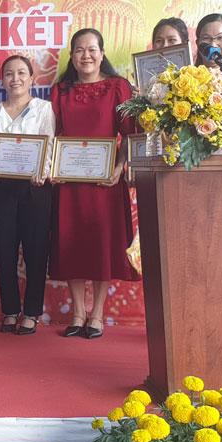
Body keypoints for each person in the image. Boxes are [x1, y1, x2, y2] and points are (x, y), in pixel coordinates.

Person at [50, 27, 138, 339]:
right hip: (69, 184)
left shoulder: (118, 87)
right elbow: (51, 135)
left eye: (92, 49)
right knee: (72, 245)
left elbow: (129, 134)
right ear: (72, 56)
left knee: (103, 247)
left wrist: (119, 166)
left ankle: (97, 314)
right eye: (79, 50)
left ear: (102, 54)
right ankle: (77, 312)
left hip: (106, 183)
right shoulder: (60, 91)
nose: (85, 55)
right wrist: (53, 167)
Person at [0, 55, 54, 335]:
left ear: (32, 78)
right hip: (2, 187)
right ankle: (10, 310)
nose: (16, 79)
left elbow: (49, 144)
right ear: (2, 80)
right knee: (5, 251)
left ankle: (32, 312)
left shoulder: (44, 108)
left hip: (35, 188)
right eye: (9, 74)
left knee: (36, 251)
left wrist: (43, 172)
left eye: (22, 73)